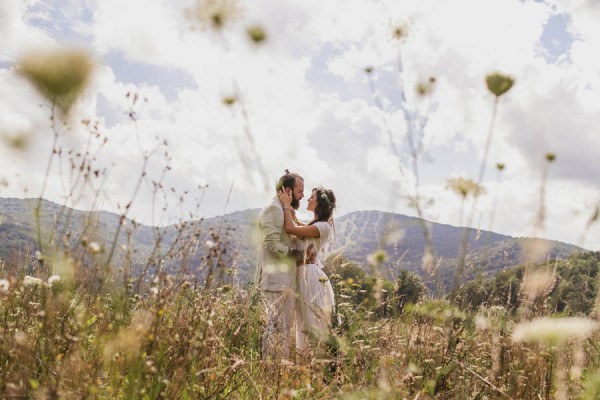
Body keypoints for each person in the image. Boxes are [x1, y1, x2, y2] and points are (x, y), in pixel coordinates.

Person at [278, 186, 337, 352]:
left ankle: (319, 366)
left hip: (311, 277)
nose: (308, 199)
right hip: (302, 276)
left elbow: (291, 228)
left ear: (320, 203)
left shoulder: (324, 227)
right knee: (303, 324)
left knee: (313, 323)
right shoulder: (314, 225)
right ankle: (307, 367)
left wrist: (286, 205)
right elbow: (295, 223)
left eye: (312, 197)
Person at [254, 170, 305, 359]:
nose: (302, 195)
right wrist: (295, 254)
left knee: (282, 329)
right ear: (288, 191)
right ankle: (270, 371)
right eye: (300, 191)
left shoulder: (284, 209)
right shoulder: (272, 209)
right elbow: (272, 244)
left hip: (284, 280)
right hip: (275, 280)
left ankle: (277, 371)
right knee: (276, 328)